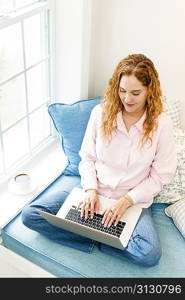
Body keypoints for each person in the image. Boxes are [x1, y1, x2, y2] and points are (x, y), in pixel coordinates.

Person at [22, 54, 177, 267]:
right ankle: (97, 238)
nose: (127, 99)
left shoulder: (162, 124)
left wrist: (126, 201)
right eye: (122, 91)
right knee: (30, 215)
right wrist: (91, 191)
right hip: (94, 190)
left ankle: (96, 234)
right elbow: (86, 158)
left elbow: (161, 176)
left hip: (132, 200)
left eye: (135, 93)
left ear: (150, 90)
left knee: (149, 254)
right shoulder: (101, 113)